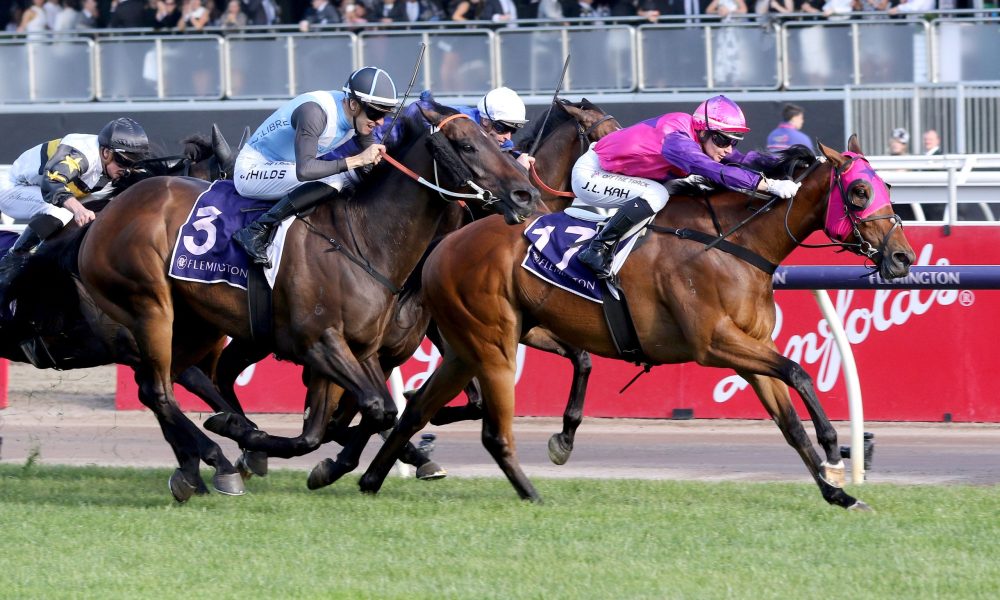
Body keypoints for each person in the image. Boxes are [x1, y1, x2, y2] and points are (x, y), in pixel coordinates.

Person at [571, 95, 801, 278]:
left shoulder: (697, 134)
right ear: (703, 131)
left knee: (680, 189)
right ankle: (598, 248)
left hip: (615, 172)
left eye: (733, 141)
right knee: (657, 194)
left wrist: (793, 164)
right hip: (592, 174)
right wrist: (768, 185)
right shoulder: (678, 142)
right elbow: (715, 171)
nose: (728, 148)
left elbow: (741, 159)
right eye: (723, 140)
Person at [231, 66, 397, 267]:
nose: (380, 122)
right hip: (253, 170)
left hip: (286, 168)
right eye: (375, 113)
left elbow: (370, 161)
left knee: (352, 177)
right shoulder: (314, 112)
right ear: (353, 104)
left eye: (385, 114)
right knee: (335, 179)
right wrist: (357, 160)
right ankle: (257, 230)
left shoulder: (358, 117)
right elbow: (305, 170)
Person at [0, 117, 150, 290]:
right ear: (106, 153)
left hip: (50, 190)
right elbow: (52, 183)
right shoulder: (80, 154)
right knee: (61, 212)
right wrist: (78, 209)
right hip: (15, 188)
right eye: (124, 162)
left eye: (134, 163)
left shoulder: (112, 164)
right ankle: (12, 262)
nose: (128, 169)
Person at [449, 87, 534, 171]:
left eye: (512, 130)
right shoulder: (458, 127)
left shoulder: (501, 139)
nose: (508, 137)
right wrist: (518, 168)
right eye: (503, 128)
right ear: (485, 120)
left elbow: (507, 149)